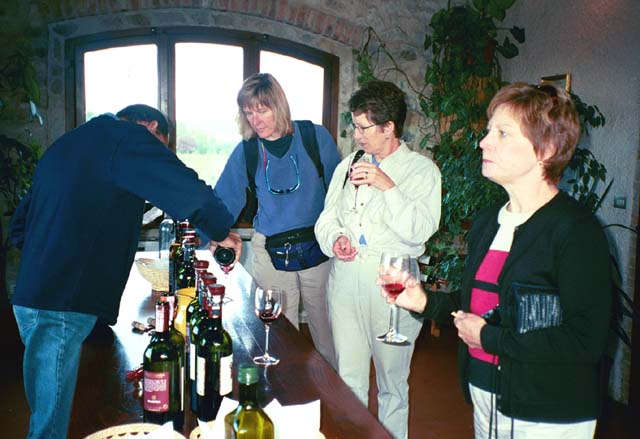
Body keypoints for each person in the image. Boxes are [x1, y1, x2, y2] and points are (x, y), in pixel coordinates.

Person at [383, 82, 612, 438]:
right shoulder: (491, 220)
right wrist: (423, 300)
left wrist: (490, 339)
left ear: (546, 150)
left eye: (502, 133)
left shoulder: (576, 231)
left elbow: (586, 340)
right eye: (489, 131)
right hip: (486, 396)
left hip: (547, 410)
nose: (483, 142)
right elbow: (477, 306)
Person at [8, 104, 242, 439]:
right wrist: (221, 231)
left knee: (54, 409)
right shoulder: (127, 138)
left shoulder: (70, 143)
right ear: (149, 127)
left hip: (32, 296)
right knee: (48, 429)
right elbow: (187, 190)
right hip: (59, 303)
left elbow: (20, 226)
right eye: (160, 145)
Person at [315, 80, 441, 439]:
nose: (356, 135)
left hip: (394, 282)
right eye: (354, 125)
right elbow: (327, 218)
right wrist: (336, 238)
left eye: (363, 127)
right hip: (346, 278)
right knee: (348, 378)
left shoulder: (422, 171)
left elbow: (419, 231)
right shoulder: (348, 166)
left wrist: (388, 187)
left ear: (389, 127)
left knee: (392, 382)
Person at [213, 73, 340, 368]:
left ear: (278, 106)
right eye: (248, 111)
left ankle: (335, 400)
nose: (255, 119)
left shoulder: (314, 137)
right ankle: (286, 391)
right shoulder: (246, 150)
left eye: (262, 109)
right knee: (279, 331)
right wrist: (210, 233)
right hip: (269, 249)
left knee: (326, 330)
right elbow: (225, 200)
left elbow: (339, 193)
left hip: (318, 248)